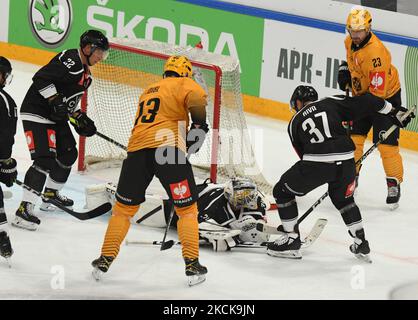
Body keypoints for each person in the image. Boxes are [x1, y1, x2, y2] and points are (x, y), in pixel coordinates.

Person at [91, 55, 209, 286]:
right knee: (186, 210)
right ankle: (192, 266)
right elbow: (198, 118)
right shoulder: (187, 84)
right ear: (185, 72)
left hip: (137, 152)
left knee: (123, 210)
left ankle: (104, 259)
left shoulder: (149, 90)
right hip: (169, 152)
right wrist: (198, 130)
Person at [266, 85, 413, 260]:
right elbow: (369, 101)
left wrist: (324, 172)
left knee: (282, 191)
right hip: (347, 162)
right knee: (345, 201)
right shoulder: (331, 102)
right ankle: (361, 242)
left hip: (317, 163)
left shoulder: (294, 122)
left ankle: (291, 239)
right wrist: (393, 112)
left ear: (297, 102)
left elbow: (304, 156)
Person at [13, 30, 108, 231]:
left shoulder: (85, 76)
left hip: (53, 117)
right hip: (37, 112)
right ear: (88, 48)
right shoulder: (71, 60)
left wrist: (79, 118)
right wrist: (54, 100)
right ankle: (24, 209)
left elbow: (69, 105)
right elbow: (40, 78)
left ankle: (50, 195)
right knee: (44, 159)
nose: (101, 57)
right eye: (99, 52)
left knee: (68, 153)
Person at [338, 7, 404, 209]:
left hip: (385, 99)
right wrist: (345, 71)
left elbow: (377, 96)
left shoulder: (377, 54)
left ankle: (393, 182)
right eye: (352, 30)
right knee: (353, 141)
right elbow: (354, 63)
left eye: (360, 31)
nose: (356, 35)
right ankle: (351, 177)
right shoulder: (349, 41)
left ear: (368, 28)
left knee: (386, 144)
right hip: (363, 96)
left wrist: (356, 107)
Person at [163, 178, 270, 251]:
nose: (248, 199)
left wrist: (258, 222)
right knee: (175, 212)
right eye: (241, 197)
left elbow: (259, 220)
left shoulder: (256, 201)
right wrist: (216, 236)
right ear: (230, 197)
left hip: (217, 187)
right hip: (198, 196)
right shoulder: (216, 206)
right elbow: (197, 222)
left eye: (249, 195)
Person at [0, 57, 18, 261]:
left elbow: (5, 137)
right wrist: (5, 162)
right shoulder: (6, 101)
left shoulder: (5, 102)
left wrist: (4, 162)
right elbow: (6, 138)